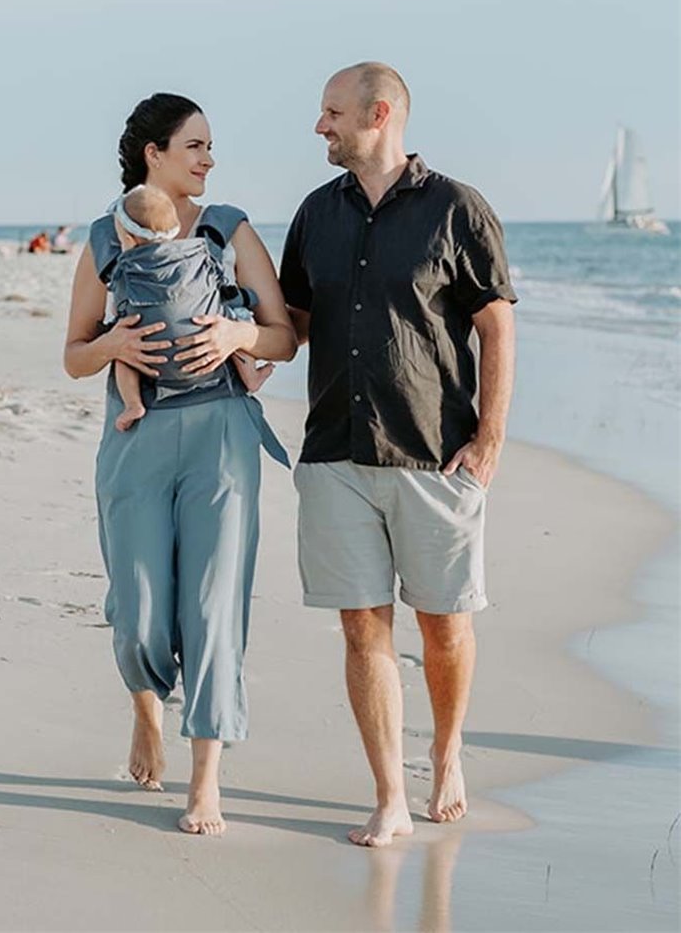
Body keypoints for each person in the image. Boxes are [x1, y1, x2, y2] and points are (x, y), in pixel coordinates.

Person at [279, 62, 517, 847]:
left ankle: (446, 757)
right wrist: (238, 349)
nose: (320, 126)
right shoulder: (316, 212)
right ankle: (387, 794)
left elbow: (495, 326)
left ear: (378, 114)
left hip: (434, 455)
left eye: (331, 112)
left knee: (444, 629)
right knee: (361, 628)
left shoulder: (457, 209)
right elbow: (294, 321)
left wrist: (489, 438)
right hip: (335, 453)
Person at [64, 93, 297, 836]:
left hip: (222, 437)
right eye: (194, 145)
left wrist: (236, 335)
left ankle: (207, 782)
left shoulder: (230, 230)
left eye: (209, 146)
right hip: (135, 439)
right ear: (151, 154)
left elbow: (284, 336)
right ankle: (145, 709)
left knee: (212, 608)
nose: (208, 159)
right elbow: (73, 355)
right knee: (136, 612)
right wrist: (113, 348)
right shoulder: (105, 237)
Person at [108, 183, 274, 431]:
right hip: (203, 354)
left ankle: (133, 403)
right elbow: (222, 292)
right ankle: (250, 376)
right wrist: (246, 298)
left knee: (122, 357)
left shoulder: (123, 271)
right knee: (236, 318)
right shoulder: (197, 255)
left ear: (128, 238)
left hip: (151, 360)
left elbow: (117, 310)